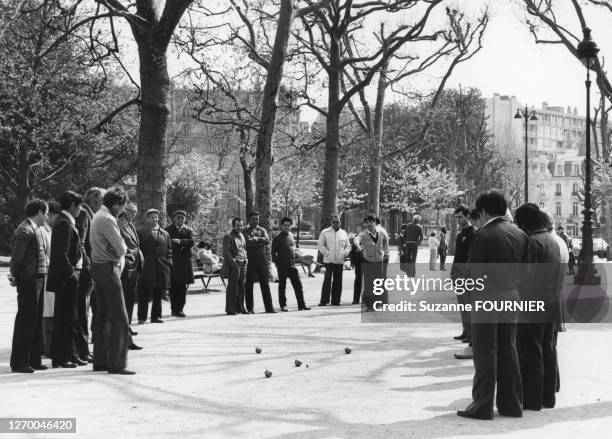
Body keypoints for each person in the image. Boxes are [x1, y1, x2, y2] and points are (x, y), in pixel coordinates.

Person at [458, 190, 527, 420]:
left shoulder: (483, 235)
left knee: (485, 351)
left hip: (486, 298)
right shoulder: (519, 233)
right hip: (511, 295)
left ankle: (482, 405)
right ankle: (512, 404)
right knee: (509, 349)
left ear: (485, 211)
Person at [514, 204, 561, 410]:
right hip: (551, 299)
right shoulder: (552, 241)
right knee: (548, 348)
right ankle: (548, 397)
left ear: (525, 223)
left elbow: (527, 276)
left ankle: (532, 399)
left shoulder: (531, 243)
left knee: (530, 350)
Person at [90, 187, 135, 375]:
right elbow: (121, 247)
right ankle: (117, 363)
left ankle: (100, 360)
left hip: (98, 267)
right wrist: (125, 251)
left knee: (102, 315)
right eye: (123, 206)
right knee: (120, 317)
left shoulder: (98, 215)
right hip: (108, 269)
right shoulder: (108, 219)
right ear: (116, 204)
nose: (123, 210)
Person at [9, 199, 49, 373]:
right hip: (29, 280)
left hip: (37, 280)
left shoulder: (36, 229)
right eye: (46, 213)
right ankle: (19, 362)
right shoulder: (26, 229)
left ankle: (33, 359)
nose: (47, 216)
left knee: (35, 321)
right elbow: (17, 258)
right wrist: (15, 276)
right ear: (39, 211)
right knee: (26, 321)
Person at [47, 191, 84, 368]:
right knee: (65, 317)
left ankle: (70, 353)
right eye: (79, 206)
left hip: (67, 276)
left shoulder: (65, 221)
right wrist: (71, 273)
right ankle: (62, 356)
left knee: (70, 317)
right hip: (66, 277)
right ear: (72, 206)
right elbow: (61, 253)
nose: (80, 209)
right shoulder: (64, 222)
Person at [75, 187, 105, 363]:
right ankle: (82, 350)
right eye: (101, 202)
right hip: (85, 270)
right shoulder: (85, 214)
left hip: (86, 268)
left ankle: (83, 349)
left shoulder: (87, 214)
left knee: (83, 310)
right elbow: (81, 243)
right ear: (94, 200)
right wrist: (89, 264)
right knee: (82, 311)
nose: (102, 206)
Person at [137, 209, 172, 324]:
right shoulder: (140, 232)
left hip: (161, 267)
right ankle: (142, 317)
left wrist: (168, 263)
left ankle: (156, 316)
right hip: (146, 267)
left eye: (156, 217)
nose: (155, 219)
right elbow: (137, 249)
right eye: (152, 217)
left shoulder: (165, 234)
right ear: (147, 219)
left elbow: (169, 251)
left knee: (158, 293)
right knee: (144, 293)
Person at [450, 206, 476, 359]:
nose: (458, 220)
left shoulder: (473, 233)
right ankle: (465, 331)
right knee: (462, 305)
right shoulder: (460, 235)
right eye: (456, 218)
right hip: (457, 273)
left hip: (466, 275)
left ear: (468, 216)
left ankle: (471, 334)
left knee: (468, 305)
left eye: (460, 217)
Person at [271, 217, 310, 312]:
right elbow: (273, 252)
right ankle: (283, 305)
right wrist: (277, 263)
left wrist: (296, 254)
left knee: (298, 285)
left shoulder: (291, 235)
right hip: (282, 264)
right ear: (281, 226)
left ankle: (302, 305)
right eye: (285, 225)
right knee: (282, 285)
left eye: (288, 225)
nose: (287, 227)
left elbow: (292, 248)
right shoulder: (277, 237)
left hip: (292, 264)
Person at [118, 203, 143, 345]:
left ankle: (128, 325)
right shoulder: (120, 224)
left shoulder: (130, 224)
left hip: (135, 266)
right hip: (127, 266)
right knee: (125, 298)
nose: (134, 215)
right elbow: (123, 245)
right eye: (132, 212)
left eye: (135, 212)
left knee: (130, 298)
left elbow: (136, 244)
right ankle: (125, 327)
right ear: (125, 211)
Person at [243, 212, 275, 313]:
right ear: (249, 219)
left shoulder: (262, 230)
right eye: (253, 218)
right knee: (249, 284)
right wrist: (259, 241)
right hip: (250, 258)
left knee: (265, 283)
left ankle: (269, 308)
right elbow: (248, 242)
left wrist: (256, 239)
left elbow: (267, 240)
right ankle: (250, 308)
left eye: (257, 218)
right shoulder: (245, 230)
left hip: (261, 259)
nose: (255, 220)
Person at [166, 210, 195, 318]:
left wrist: (179, 241)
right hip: (173, 261)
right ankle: (174, 309)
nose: (180, 219)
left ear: (185, 219)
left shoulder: (189, 230)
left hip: (184, 262)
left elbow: (191, 242)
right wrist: (184, 243)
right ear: (174, 218)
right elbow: (167, 243)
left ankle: (181, 309)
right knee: (173, 287)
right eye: (178, 217)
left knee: (182, 287)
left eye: (182, 217)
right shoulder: (168, 230)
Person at [41, 200, 61, 357]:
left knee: (50, 312)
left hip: (51, 276)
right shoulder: (43, 231)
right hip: (46, 275)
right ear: (51, 215)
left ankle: (48, 346)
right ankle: (47, 348)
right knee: (47, 314)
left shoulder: (51, 231)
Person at [317, 214, 350, 306]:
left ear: (340, 222)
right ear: (331, 222)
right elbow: (320, 245)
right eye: (334, 221)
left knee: (338, 281)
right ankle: (324, 300)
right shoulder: (325, 232)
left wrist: (345, 253)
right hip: (328, 261)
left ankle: (336, 301)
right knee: (327, 281)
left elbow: (348, 246)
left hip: (339, 261)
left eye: (337, 221)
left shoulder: (344, 233)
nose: (336, 223)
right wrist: (327, 253)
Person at [358, 215, 389, 311]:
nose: (369, 224)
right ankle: (369, 304)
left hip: (379, 261)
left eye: (371, 222)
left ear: (375, 222)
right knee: (369, 283)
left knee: (378, 283)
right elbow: (358, 241)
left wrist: (383, 254)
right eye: (367, 222)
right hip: (368, 261)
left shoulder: (381, 232)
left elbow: (385, 245)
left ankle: (377, 303)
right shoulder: (363, 234)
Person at [222, 217, 248, 315]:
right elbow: (226, 251)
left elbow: (244, 249)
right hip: (235, 264)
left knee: (242, 286)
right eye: (238, 225)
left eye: (241, 225)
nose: (240, 227)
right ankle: (231, 309)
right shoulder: (228, 236)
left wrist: (246, 260)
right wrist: (233, 262)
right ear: (233, 226)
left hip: (243, 263)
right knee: (233, 286)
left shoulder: (242, 235)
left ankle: (240, 307)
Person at [350, 223, 366, 305]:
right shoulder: (356, 237)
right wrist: (352, 262)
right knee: (358, 280)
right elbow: (352, 251)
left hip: (368, 262)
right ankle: (356, 299)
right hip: (358, 262)